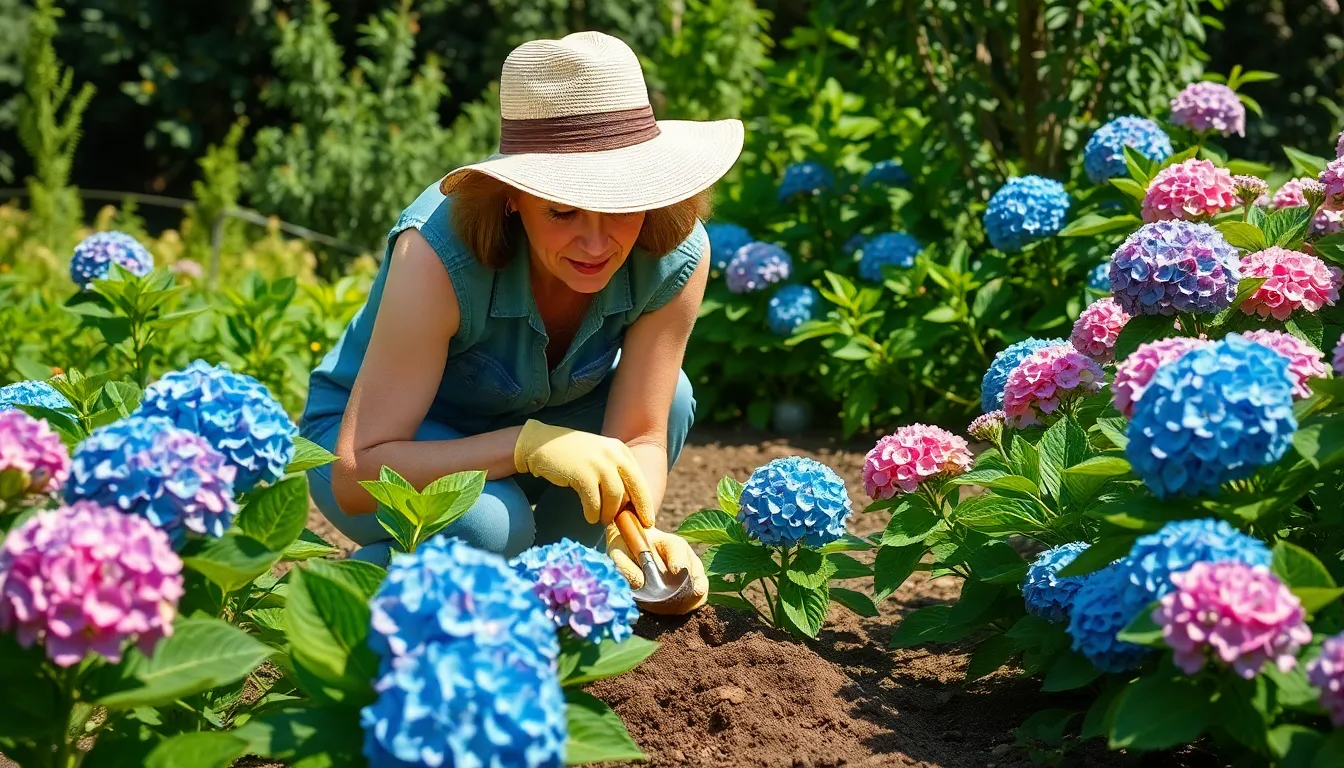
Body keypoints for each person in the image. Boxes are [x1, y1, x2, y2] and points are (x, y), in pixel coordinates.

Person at [298, 30, 743, 614]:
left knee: (674, 397)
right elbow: (357, 474)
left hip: (546, 439)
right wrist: (526, 446)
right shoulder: (436, 254)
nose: (596, 243)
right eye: (562, 211)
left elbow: (639, 436)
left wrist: (638, 535)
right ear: (512, 196)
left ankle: (550, 598)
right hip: (378, 446)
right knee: (491, 527)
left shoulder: (676, 253)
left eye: (622, 205)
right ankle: (347, 609)